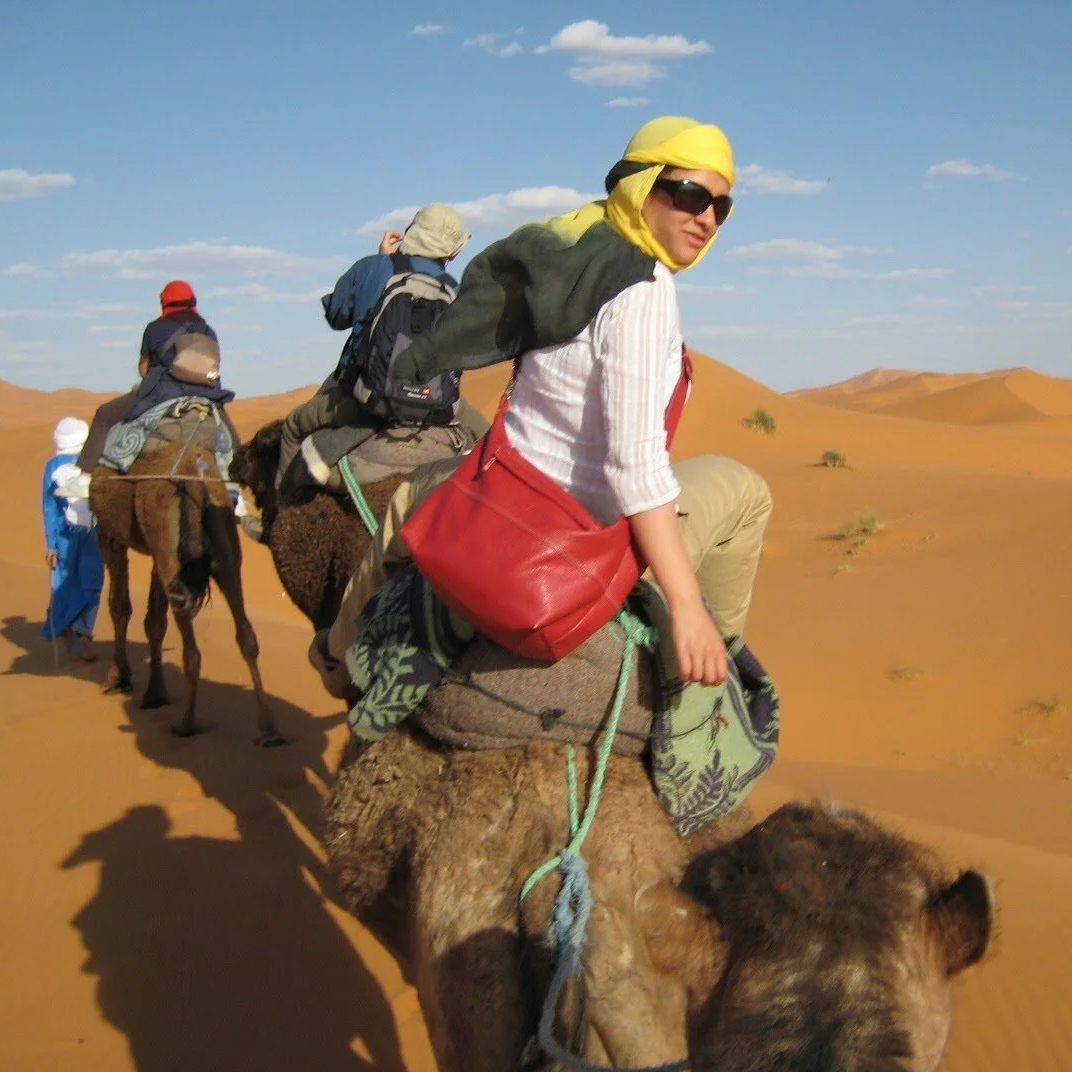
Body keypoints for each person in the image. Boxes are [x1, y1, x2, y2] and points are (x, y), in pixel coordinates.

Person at [322, 116, 772, 689]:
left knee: (409, 495)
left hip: (511, 485)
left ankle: (337, 656)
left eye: (721, 206)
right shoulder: (641, 288)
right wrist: (686, 606)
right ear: (641, 184)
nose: (706, 217)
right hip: (585, 527)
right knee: (748, 493)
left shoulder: (568, 249)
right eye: (689, 195)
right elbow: (635, 468)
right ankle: (719, 674)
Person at [275, 204, 473, 488]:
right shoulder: (456, 291)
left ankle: (283, 515)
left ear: (409, 234)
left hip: (364, 400)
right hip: (435, 406)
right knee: (489, 442)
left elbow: (337, 315)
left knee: (294, 425)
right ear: (454, 252)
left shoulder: (372, 268)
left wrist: (380, 264)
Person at [58, 280, 240, 497]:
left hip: (162, 393)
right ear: (193, 303)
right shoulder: (209, 331)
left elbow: (144, 369)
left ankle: (84, 478)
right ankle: (235, 489)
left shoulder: (155, 328)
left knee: (105, 415)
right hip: (207, 395)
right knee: (231, 438)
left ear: (165, 303)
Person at [42, 416, 104, 661]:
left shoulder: (54, 465)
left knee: (67, 584)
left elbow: (50, 508)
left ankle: (77, 629)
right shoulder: (96, 461)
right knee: (89, 583)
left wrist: (52, 545)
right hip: (91, 534)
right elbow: (51, 506)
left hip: (75, 534)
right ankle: (80, 630)